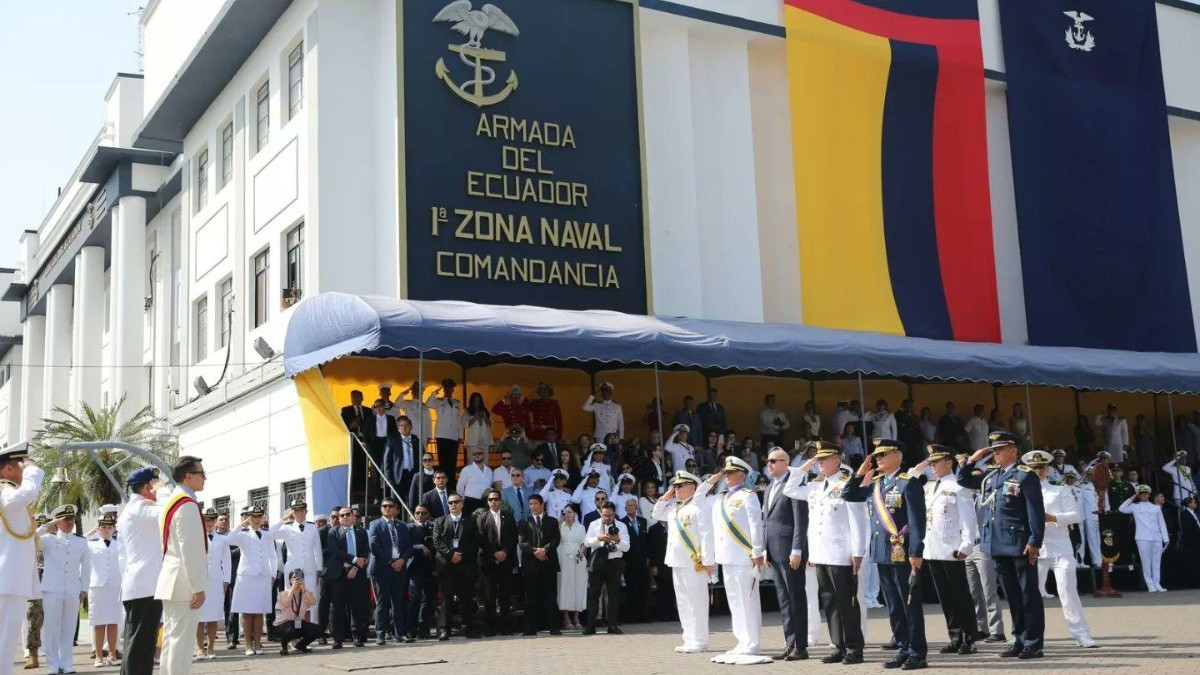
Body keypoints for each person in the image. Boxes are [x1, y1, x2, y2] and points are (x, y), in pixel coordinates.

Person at [958, 432, 1046, 660]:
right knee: (1013, 595)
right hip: (996, 544)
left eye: (999, 449)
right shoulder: (991, 476)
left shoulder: (1026, 476)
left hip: (1019, 544)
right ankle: (1019, 638)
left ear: (1013, 451)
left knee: (1028, 594)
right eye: (993, 450)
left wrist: (1035, 540)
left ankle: (1034, 642)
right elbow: (963, 480)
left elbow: (1035, 512)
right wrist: (973, 459)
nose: (995, 454)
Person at [841, 439, 928, 670]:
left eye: (883, 455)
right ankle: (902, 647)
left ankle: (917, 653)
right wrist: (860, 472)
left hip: (903, 552)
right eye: (876, 456)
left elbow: (917, 522)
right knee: (893, 605)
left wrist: (916, 551)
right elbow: (849, 494)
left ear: (897, 456)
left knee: (909, 604)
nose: (878, 459)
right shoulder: (876, 483)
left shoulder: (908, 483)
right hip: (881, 552)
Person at [784, 442, 868, 665]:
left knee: (846, 602)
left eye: (824, 459)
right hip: (821, 553)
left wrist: (858, 552)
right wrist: (806, 465)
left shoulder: (847, 484)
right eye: (817, 459)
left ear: (837, 460)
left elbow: (858, 520)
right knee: (829, 602)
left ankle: (854, 648)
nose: (819, 462)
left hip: (842, 553)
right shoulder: (815, 485)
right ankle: (838, 645)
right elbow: (789, 488)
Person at [1021, 450, 1097, 648]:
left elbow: (1076, 515)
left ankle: (1081, 633)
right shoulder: (1020, 491)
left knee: (1067, 591)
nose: (1039, 471)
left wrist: (1052, 518)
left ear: (1047, 469)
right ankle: (1025, 635)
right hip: (1033, 549)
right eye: (1034, 467)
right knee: (1029, 595)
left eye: (1042, 467)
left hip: (1060, 548)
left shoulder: (1059, 490)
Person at [918, 446, 979, 656]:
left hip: (953, 548)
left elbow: (968, 518)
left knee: (960, 595)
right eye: (931, 462)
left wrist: (967, 545)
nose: (932, 465)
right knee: (945, 596)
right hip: (933, 548)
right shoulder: (930, 487)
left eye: (936, 462)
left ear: (949, 462)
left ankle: (969, 638)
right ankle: (955, 637)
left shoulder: (958, 485)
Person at [709, 456, 771, 664]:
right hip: (726, 557)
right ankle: (741, 640)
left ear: (742, 475)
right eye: (724, 473)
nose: (725, 476)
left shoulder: (748, 496)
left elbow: (755, 525)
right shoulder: (720, 498)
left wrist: (757, 552)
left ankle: (752, 642)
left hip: (745, 557)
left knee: (748, 600)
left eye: (730, 473)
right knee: (735, 601)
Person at [154, 456, 209, 675]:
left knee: (172, 639)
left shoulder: (172, 501)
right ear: (188, 476)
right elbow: (191, 549)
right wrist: (198, 587)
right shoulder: (186, 505)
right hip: (184, 584)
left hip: (173, 580)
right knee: (181, 643)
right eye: (201, 473)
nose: (205, 478)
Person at [652, 469, 715, 653]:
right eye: (674, 486)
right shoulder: (673, 508)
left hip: (694, 562)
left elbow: (706, 535)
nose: (676, 489)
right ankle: (688, 638)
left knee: (697, 602)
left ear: (692, 488)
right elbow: (656, 513)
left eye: (680, 486)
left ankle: (700, 640)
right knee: (683, 602)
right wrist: (666, 495)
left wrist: (708, 560)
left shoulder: (698, 508)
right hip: (676, 561)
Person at [117, 466, 167, 675]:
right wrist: (163, 491)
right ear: (148, 487)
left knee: (136, 644)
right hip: (146, 585)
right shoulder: (141, 508)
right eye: (154, 485)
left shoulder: (133, 509)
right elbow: (168, 513)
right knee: (141, 647)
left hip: (140, 585)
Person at [761, 447, 809, 661]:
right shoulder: (770, 487)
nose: (769, 465)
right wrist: (764, 549)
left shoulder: (795, 483)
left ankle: (801, 646)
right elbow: (766, 521)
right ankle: (790, 643)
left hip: (790, 549)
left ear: (785, 462)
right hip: (774, 549)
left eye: (773, 461)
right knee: (783, 599)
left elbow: (800, 520)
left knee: (795, 597)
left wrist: (797, 549)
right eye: (768, 461)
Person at [39, 504, 91, 675]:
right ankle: (52, 664)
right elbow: (31, 537)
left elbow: (87, 566)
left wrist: (84, 588)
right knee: (52, 628)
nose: (70, 522)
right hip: (51, 589)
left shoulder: (81, 541)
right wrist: (48, 524)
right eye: (65, 519)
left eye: (71, 518)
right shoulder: (47, 539)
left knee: (69, 628)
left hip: (72, 589)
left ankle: (67, 663)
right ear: (58, 521)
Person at [229, 505, 276, 656]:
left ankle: (257, 644)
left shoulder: (267, 534)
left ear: (263, 517)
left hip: (263, 576)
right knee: (247, 613)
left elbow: (272, 556)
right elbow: (229, 539)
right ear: (249, 518)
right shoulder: (243, 534)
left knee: (259, 612)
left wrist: (272, 574)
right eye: (253, 516)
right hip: (247, 576)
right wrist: (242, 524)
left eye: (259, 516)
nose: (256, 519)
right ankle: (248, 646)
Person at [432, 493, 480, 639]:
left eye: (456, 502)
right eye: (451, 503)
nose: (453, 505)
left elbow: (475, 542)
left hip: (465, 565)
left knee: (466, 597)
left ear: (462, 504)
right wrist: (451, 555)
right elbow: (437, 541)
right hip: (446, 565)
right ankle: (445, 629)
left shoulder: (470, 521)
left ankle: (468, 628)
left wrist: (461, 555)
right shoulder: (440, 521)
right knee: (446, 599)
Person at [269, 499, 323, 622]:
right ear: (293, 512)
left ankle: (309, 629)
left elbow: (317, 549)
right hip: (293, 571)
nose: (299, 513)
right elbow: (270, 534)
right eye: (296, 510)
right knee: (292, 601)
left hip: (310, 569)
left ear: (306, 511)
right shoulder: (286, 528)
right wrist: (284, 519)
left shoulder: (312, 527)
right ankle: (292, 632)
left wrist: (319, 569)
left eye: (302, 510)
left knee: (310, 601)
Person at [369, 497, 413, 644]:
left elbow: (409, 546)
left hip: (400, 568)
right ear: (381, 509)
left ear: (396, 509)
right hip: (383, 569)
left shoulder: (402, 526)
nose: (387, 508)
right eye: (384, 506)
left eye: (390, 506)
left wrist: (402, 560)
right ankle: (380, 634)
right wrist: (390, 562)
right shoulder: (375, 524)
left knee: (398, 602)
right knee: (382, 602)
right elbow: (374, 546)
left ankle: (399, 633)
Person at [582, 501, 629, 635]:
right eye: (604, 515)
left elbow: (627, 547)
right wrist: (598, 538)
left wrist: (617, 540)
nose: (606, 518)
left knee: (613, 595)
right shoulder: (594, 524)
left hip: (614, 562)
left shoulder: (621, 526)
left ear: (614, 514)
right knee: (593, 594)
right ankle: (590, 626)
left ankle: (612, 625)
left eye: (609, 515)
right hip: (597, 562)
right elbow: (586, 542)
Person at [477, 489, 518, 635]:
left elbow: (514, 537)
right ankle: (491, 627)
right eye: (490, 499)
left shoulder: (509, 516)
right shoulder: (482, 517)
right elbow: (481, 539)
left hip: (506, 561)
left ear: (501, 501)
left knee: (505, 595)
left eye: (496, 499)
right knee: (490, 596)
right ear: (487, 502)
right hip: (489, 562)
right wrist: (494, 553)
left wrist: (505, 552)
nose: (493, 502)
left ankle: (506, 627)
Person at [520, 494, 562, 635]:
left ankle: (554, 627)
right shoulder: (524, 522)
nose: (532, 506)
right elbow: (522, 542)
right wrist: (536, 551)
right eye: (530, 504)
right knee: (531, 597)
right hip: (531, 565)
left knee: (551, 596)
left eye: (535, 503)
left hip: (548, 563)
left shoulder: (552, 521)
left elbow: (556, 539)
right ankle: (530, 629)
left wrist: (545, 550)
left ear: (542, 504)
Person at [1118, 485, 1170, 592]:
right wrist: (1132, 497)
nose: (1144, 495)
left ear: (1149, 495)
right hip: (1142, 537)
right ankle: (1150, 584)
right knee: (1146, 561)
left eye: (1146, 493)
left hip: (1156, 537)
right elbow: (1121, 509)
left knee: (1156, 562)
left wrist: (1166, 538)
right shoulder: (1135, 506)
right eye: (1141, 494)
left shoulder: (1156, 507)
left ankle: (1157, 583)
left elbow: (1162, 523)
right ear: (1139, 495)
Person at [88, 513, 123, 668]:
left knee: (114, 622)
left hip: (115, 586)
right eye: (103, 527)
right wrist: (91, 532)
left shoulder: (119, 545)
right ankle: (98, 656)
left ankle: (112, 654)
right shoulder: (92, 544)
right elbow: (81, 540)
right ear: (99, 529)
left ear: (113, 529)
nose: (106, 530)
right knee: (98, 622)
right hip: (98, 587)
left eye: (109, 527)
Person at [331, 506, 370, 648]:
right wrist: (354, 560)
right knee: (338, 607)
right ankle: (338, 638)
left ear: (353, 517)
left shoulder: (361, 532)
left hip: (357, 573)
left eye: (348, 514)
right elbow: (336, 552)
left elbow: (365, 552)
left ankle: (357, 637)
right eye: (342, 515)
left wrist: (356, 567)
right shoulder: (333, 532)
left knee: (357, 606)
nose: (345, 517)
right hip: (339, 574)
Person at [196, 508, 231, 659]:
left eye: (211, 520)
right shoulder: (196, 537)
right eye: (206, 520)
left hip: (216, 580)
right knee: (199, 617)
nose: (209, 523)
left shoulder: (222, 539)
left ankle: (210, 648)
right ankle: (199, 648)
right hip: (199, 580)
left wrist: (226, 580)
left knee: (213, 616)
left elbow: (227, 560)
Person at [406, 505, 436, 640]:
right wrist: (420, 547)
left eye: (423, 513)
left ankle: (424, 629)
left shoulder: (433, 526)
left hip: (430, 567)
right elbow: (404, 546)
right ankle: (411, 629)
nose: (419, 515)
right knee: (415, 598)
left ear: (428, 514)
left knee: (428, 599)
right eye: (417, 513)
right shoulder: (409, 528)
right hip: (415, 567)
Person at [620, 496, 652, 623]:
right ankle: (632, 616)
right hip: (629, 561)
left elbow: (646, 540)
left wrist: (648, 558)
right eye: (628, 506)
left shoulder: (643, 521)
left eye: (632, 505)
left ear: (637, 508)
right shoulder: (622, 523)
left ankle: (644, 615)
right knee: (631, 590)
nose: (630, 508)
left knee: (644, 589)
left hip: (643, 561)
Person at [554, 503, 586, 630]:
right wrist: (559, 522)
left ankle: (577, 617)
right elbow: (555, 539)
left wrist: (581, 552)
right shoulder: (560, 526)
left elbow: (584, 543)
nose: (567, 514)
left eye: (569, 512)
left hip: (578, 557)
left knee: (578, 585)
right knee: (565, 585)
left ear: (575, 514)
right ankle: (566, 618)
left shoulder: (581, 527)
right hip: (563, 556)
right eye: (565, 512)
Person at [274, 569, 321, 655]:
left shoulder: (306, 593)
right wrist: (293, 588)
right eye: (294, 578)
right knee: (290, 630)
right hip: (283, 624)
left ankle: (300, 645)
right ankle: (284, 648)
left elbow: (313, 602)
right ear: (290, 580)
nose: (297, 580)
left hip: (298, 622)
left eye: (299, 577)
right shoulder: (283, 593)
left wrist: (303, 589)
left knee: (318, 629)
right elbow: (286, 603)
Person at [428, 379, 465, 481]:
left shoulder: (457, 403)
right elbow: (428, 404)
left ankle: (452, 484)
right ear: (444, 389)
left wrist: (460, 436)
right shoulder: (439, 401)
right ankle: (443, 483)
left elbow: (459, 420)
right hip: (442, 435)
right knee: (443, 463)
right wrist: (435, 393)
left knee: (452, 463)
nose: (449, 390)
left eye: (451, 388)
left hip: (453, 436)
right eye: (447, 388)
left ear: (453, 389)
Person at [385, 416, 421, 506]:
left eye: (406, 425)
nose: (404, 427)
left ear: (411, 427)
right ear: (398, 428)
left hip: (413, 474)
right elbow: (387, 460)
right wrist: (388, 478)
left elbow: (422, 457)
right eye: (401, 426)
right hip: (398, 476)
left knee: (413, 500)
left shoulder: (416, 440)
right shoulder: (393, 440)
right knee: (397, 503)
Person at [457, 447, 494, 513]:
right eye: (474, 454)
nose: (477, 455)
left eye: (479, 453)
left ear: (484, 455)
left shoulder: (489, 471)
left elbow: (490, 486)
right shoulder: (466, 470)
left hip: (485, 502)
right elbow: (460, 487)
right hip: (470, 503)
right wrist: (462, 500)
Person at [464, 392, 495, 464]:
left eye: (478, 400)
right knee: (472, 461)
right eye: (475, 400)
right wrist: (474, 417)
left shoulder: (486, 411)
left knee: (485, 461)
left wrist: (485, 417)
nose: (477, 402)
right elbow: (464, 424)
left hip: (484, 440)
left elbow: (491, 424)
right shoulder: (467, 411)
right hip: (472, 441)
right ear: (472, 401)